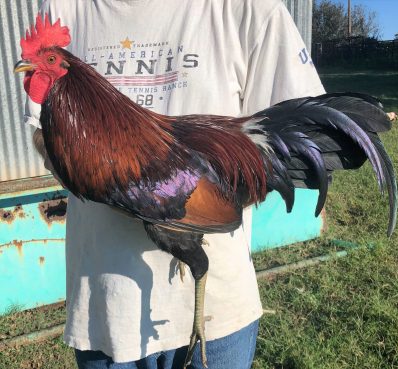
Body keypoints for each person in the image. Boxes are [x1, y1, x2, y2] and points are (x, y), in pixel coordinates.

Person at [26, 1, 325, 368]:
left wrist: (188, 196)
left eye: (51, 62)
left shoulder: (249, 8)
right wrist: (96, 167)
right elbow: (44, 135)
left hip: (216, 318)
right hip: (103, 308)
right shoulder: (65, 6)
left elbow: (293, 109)